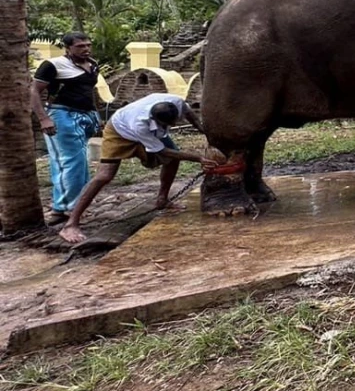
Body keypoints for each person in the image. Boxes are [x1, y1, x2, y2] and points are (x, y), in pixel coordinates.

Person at [58, 92, 219, 245]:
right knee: (104, 176)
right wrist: (198, 158)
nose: (172, 126)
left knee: (172, 161)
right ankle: (71, 224)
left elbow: (190, 115)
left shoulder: (176, 102)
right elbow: (162, 151)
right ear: (154, 118)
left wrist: (205, 132)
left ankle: (162, 200)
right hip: (119, 131)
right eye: (166, 125)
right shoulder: (140, 124)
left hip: (150, 133)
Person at [30, 32, 102, 225]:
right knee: (70, 162)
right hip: (62, 115)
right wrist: (44, 119)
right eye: (80, 46)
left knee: (78, 162)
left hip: (85, 116)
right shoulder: (53, 65)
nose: (86, 49)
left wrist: (96, 115)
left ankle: (69, 206)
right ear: (68, 48)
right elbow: (35, 91)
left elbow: (89, 91)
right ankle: (67, 207)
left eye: (88, 45)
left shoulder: (93, 64)